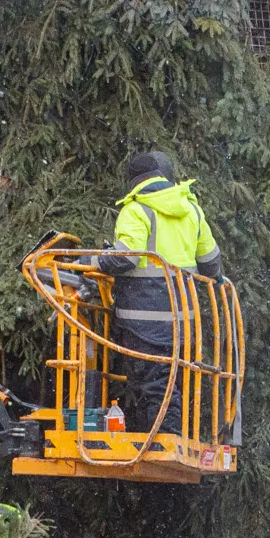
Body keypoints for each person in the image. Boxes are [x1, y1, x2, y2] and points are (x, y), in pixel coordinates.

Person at [100, 150, 223, 435]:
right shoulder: (191, 210)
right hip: (183, 321)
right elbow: (211, 263)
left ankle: (164, 441)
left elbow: (125, 258)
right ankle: (167, 439)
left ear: (134, 181)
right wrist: (215, 278)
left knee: (151, 384)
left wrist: (94, 260)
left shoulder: (136, 209)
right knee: (171, 382)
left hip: (143, 320)